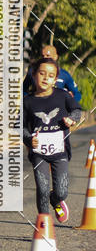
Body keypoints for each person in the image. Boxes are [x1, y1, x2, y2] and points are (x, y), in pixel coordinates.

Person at [23, 56, 81, 222]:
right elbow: (20, 126)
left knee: (62, 191)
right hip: (38, 153)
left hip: (60, 152)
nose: (45, 78)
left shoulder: (62, 96)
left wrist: (72, 118)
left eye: (50, 75)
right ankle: (44, 223)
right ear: (34, 75)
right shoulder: (28, 102)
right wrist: (28, 139)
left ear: (55, 79)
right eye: (41, 73)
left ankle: (55, 200)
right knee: (42, 188)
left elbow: (77, 110)